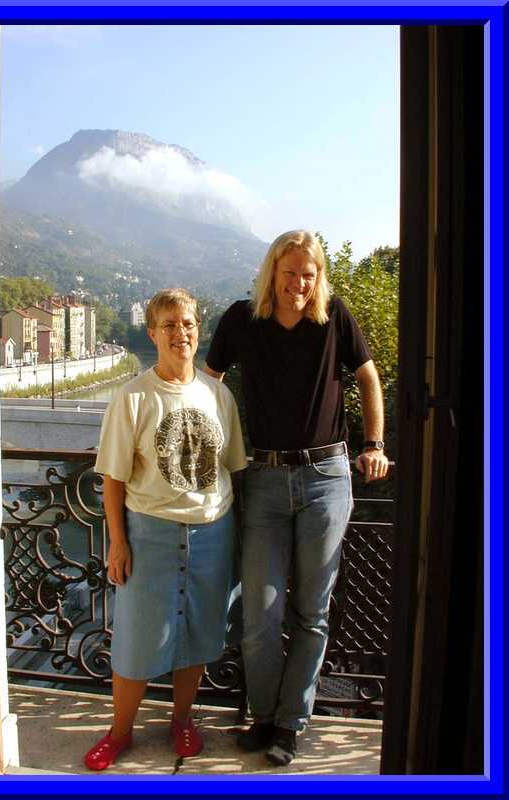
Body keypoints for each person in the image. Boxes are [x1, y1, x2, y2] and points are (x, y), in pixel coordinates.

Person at [204, 230, 389, 766]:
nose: (299, 285)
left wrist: (374, 444)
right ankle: (262, 716)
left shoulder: (336, 318)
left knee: (312, 611)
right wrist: (199, 448)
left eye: (309, 275)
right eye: (290, 274)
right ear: (272, 273)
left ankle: (290, 723)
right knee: (260, 613)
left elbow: (369, 377)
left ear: (318, 276)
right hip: (261, 476)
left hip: (327, 477)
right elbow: (208, 383)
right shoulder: (243, 318)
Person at [84, 288, 247, 771]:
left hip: (212, 534)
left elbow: (232, 471)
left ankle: (182, 720)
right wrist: (118, 540)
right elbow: (112, 479)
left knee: (196, 635)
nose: (181, 333)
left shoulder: (220, 396)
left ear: (200, 331)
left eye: (189, 324)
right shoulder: (132, 397)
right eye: (170, 325)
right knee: (135, 637)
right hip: (149, 535)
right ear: (152, 332)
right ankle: (119, 732)